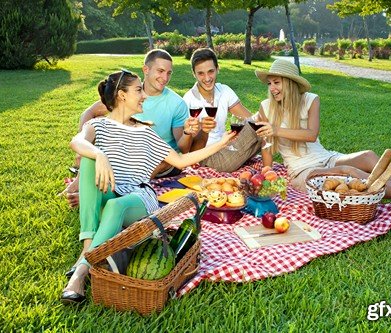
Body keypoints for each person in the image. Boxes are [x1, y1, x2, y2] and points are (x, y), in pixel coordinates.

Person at [61, 70, 235, 305]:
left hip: (138, 198)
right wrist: (99, 153)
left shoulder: (145, 132)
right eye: (138, 90)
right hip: (110, 189)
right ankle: (89, 253)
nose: (144, 96)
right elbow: (77, 141)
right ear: (122, 95)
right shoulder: (97, 125)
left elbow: (182, 161)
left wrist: (222, 141)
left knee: (114, 205)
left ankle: (80, 272)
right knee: (91, 160)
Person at [253, 59, 391, 223]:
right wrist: (268, 172)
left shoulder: (310, 99)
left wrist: (277, 129)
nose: (272, 88)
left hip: (326, 157)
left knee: (368, 156)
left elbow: (311, 134)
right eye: (270, 83)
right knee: (348, 172)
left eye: (276, 82)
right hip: (302, 171)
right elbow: (267, 147)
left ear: (289, 83)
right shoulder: (266, 107)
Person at [61, 49, 198, 207]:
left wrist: (188, 133)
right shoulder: (127, 94)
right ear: (146, 70)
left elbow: (182, 148)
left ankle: (109, 195)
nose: (165, 78)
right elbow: (89, 112)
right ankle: (79, 186)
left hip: (159, 159)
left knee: (153, 161)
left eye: (169, 73)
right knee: (100, 147)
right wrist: (85, 144)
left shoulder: (176, 103)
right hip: (126, 151)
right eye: (160, 71)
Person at [182, 48, 262, 172]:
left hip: (226, 148)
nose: (207, 78)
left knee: (263, 125)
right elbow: (189, 150)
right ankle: (270, 169)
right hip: (208, 159)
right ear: (194, 74)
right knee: (264, 121)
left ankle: (270, 169)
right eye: (201, 73)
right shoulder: (189, 101)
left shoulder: (224, 90)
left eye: (211, 71)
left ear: (217, 69)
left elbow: (249, 118)